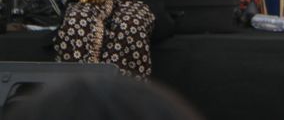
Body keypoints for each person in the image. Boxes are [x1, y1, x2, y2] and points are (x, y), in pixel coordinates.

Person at [6, 73, 204, 120]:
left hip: (138, 3)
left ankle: (126, 88)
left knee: (128, 28)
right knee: (74, 27)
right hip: (86, 5)